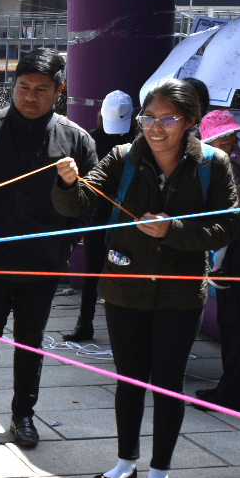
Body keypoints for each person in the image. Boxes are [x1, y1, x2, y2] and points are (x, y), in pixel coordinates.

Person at [52, 78, 240, 478]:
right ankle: (125, 462)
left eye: (167, 119)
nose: (155, 128)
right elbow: (78, 203)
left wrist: (173, 230)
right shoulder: (122, 157)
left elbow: (228, 226)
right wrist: (67, 183)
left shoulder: (213, 163)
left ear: (190, 121)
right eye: (147, 118)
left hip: (179, 294)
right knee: (128, 379)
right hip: (124, 289)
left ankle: (160, 473)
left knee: (168, 384)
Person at [0, 48, 98, 448]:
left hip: (42, 263)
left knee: (31, 342)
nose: (31, 97)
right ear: (13, 86)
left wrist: (64, 242)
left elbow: (89, 203)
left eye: (42, 90)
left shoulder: (75, 140)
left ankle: (23, 416)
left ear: (59, 91)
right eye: (23, 87)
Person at [196, 95, 240, 411]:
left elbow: (237, 199)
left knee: (238, 317)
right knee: (228, 315)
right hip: (233, 237)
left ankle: (233, 393)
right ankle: (228, 385)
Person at [64, 90, 139, 342]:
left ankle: (130, 327)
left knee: (128, 270)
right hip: (99, 214)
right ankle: (84, 322)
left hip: (129, 215)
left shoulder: (139, 141)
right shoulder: (91, 139)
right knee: (93, 268)